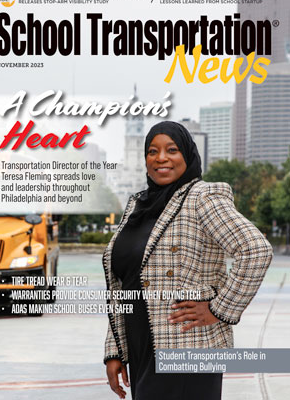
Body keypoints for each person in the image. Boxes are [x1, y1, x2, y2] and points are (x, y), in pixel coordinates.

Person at [102, 121, 273, 400]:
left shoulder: (202, 197)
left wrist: (219, 310)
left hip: (188, 345)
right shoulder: (137, 206)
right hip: (142, 347)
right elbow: (123, 284)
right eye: (152, 151)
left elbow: (256, 250)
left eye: (172, 149)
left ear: (188, 155)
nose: (161, 158)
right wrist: (115, 350)